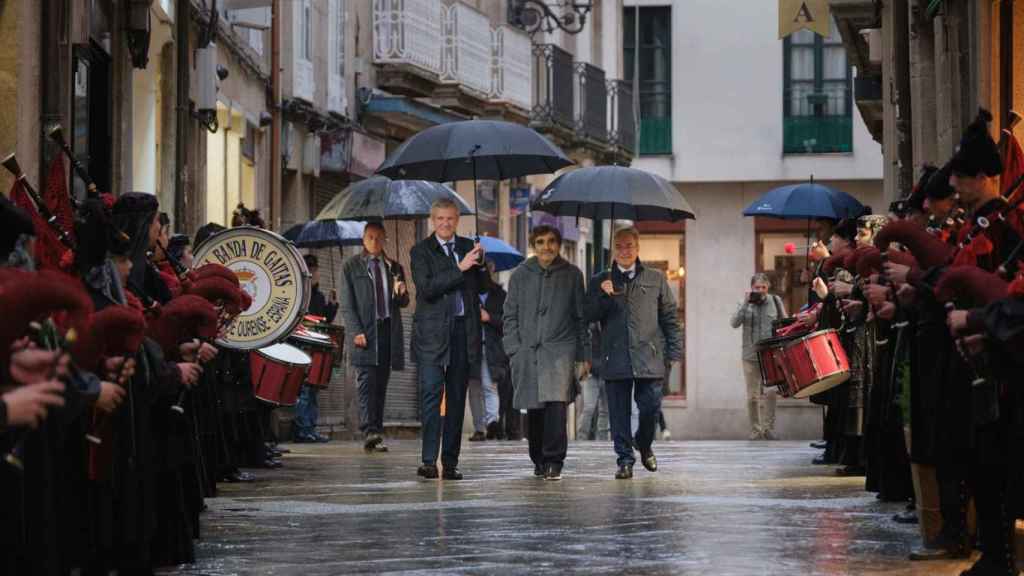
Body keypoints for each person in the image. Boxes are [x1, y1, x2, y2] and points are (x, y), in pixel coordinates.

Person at [585, 227, 682, 479]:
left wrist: (674, 351)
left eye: (629, 246)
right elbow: (588, 315)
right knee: (619, 413)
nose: (624, 251)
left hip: (648, 356)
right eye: (619, 246)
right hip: (614, 356)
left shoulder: (655, 278)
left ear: (638, 248)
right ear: (613, 250)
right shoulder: (600, 280)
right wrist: (603, 296)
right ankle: (624, 459)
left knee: (650, 407)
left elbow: (670, 316)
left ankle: (644, 443)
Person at [503, 225, 589, 480]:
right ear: (533, 245)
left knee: (556, 406)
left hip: (560, 351)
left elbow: (580, 318)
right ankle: (538, 458)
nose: (546, 247)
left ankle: (554, 460)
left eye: (551, 241)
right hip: (528, 352)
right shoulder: (520, 275)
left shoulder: (572, 275)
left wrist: (583, 355)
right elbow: (509, 315)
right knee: (535, 409)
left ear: (559, 244)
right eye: (540, 242)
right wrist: (514, 349)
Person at [409, 198, 486, 480]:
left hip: (463, 331)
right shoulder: (420, 251)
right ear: (433, 220)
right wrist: (461, 268)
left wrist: (481, 263)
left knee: (456, 399)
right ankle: (429, 460)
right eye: (440, 219)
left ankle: (450, 462)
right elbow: (427, 289)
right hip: (431, 335)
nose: (445, 223)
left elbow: (482, 288)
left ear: (457, 220)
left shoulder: (468, 248)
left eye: (450, 219)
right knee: (431, 396)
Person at [340, 223, 409, 452]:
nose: (375, 242)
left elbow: (404, 303)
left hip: (387, 331)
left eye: (379, 237)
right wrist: (355, 331)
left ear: (385, 239)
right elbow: (347, 305)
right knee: (366, 382)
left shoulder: (394, 267)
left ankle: (376, 431)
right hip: (365, 332)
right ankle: (369, 430)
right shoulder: (351, 267)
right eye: (370, 237)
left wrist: (401, 291)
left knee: (381, 384)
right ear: (363, 239)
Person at [730, 272, 786, 440]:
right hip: (750, 355)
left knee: (770, 393)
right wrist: (746, 303)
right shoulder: (744, 303)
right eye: (757, 287)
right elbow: (734, 323)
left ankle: (769, 428)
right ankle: (756, 430)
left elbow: (785, 324)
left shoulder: (775, 301)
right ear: (751, 287)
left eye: (763, 287)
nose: (760, 290)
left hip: (770, 354)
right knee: (752, 396)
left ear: (767, 287)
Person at [292, 254, 339, 443]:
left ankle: (310, 427)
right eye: (310, 269)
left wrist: (332, 305)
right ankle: (302, 430)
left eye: (315, 269)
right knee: (303, 389)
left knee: (312, 389)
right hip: (301, 345)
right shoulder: (298, 294)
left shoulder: (318, 296)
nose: (314, 273)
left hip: (316, 346)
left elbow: (325, 320)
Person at [468, 260, 508, 441]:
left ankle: (493, 423)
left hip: (491, 349)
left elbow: (507, 322)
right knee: (474, 388)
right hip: (471, 347)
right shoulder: (468, 293)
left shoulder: (500, 295)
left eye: (486, 270)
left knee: (490, 386)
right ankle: (479, 428)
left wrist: (489, 317)